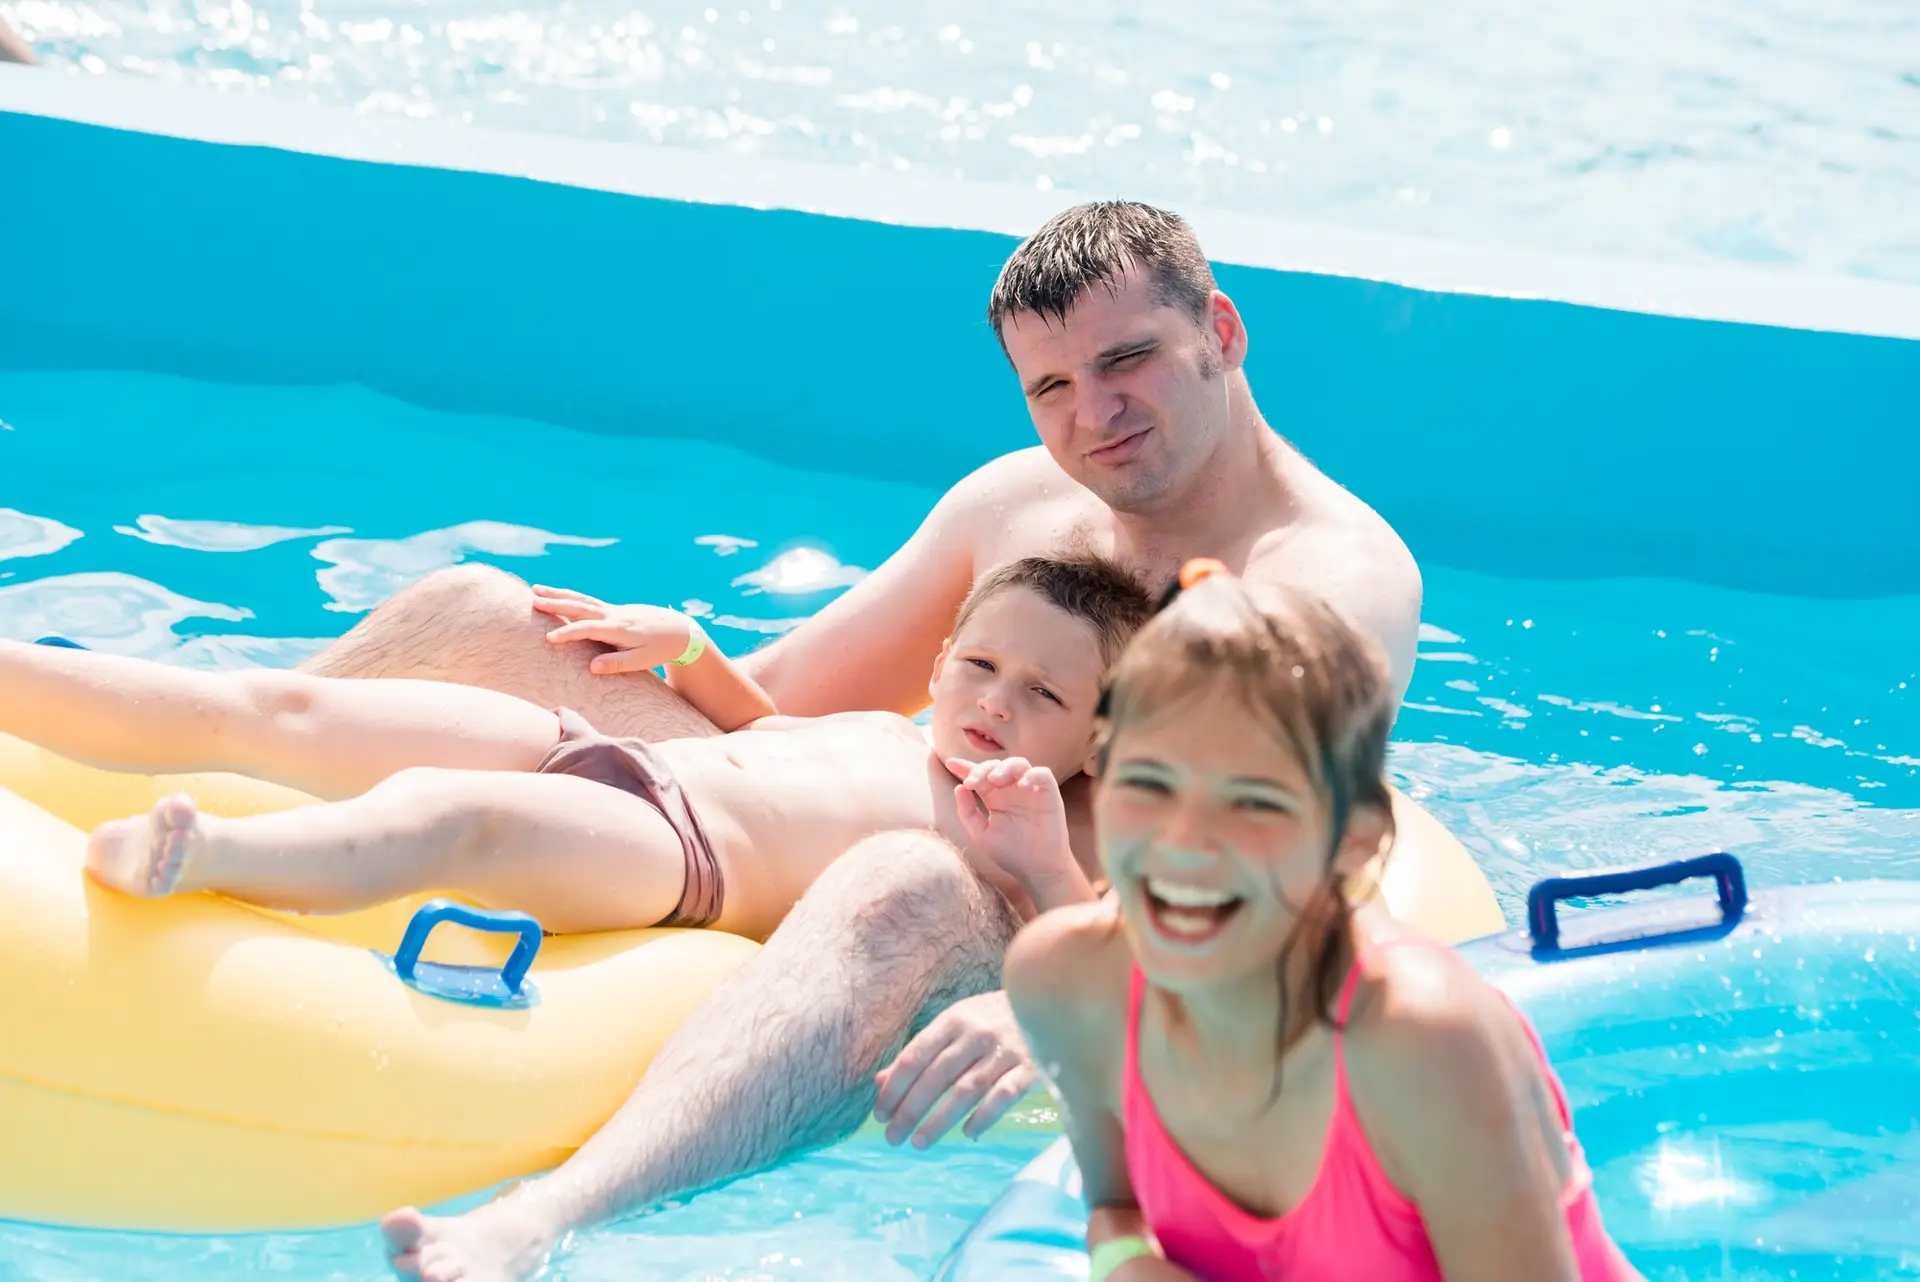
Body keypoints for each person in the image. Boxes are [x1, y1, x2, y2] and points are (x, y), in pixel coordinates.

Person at [288, 200, 1426, 1281]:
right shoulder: (1018, 505)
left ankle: (539, 1221)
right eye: (1053, 386)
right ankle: (142, 784)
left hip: (1050, 901)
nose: (1095, 414)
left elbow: (1261, 858)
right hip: (852, 813)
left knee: (906, 882)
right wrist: (685, 656)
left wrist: (1066, 985)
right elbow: (788, 701)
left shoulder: (1322, 580)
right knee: (482, 611)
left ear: (1220, 330)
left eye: (1128, 361)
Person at [1005, 562, 1637, 1282]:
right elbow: (1115, 1207)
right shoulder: (1066, 982)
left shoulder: (1420, 1042)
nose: (1183, 842)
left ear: (1357, 839)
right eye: (1148, 784)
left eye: (1254, 802)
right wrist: (1127, 1264)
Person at [3, 556, 1151, 936]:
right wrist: (690, 648)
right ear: (944, 657)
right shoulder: (886, 730)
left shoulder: (1022, 837)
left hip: (671, 848)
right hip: (599, 750)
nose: (996, 703)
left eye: (1043, 694)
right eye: (981, 665)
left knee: (453, 820)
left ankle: (204, 856)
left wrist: (1049, 863)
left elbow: (1077, 967)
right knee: (275, 711)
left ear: (1096, 743)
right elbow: (766, 730)